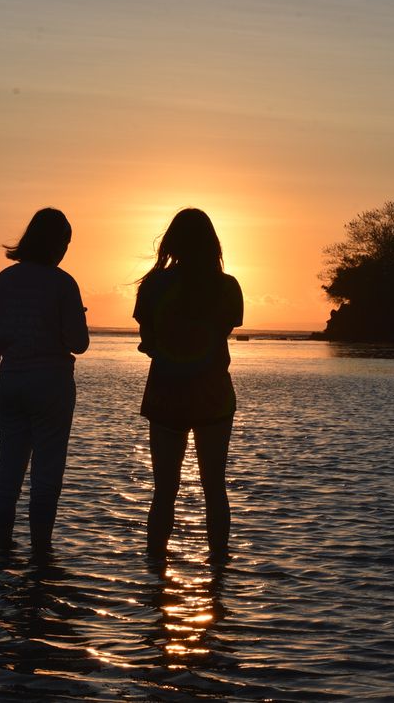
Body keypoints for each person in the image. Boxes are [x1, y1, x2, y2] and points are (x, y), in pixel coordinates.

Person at [0, 208, 89, 555]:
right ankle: (41, 553)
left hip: (12, 383)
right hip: (52, 383)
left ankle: (1, 549)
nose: (66, 249)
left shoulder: (4, 281)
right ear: (57, 244)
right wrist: (77, 317)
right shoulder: (63, 283)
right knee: (46, 476)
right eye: (65, 242)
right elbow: (78, 343)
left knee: (8, 473)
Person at [133, 208, 243, 564]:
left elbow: (147, 341)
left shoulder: (152, 287)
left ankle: (155, 570)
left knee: (164, 490)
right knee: (215, 488)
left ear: (171, 242)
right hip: (213, 396)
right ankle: (219, 571)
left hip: (166, 394)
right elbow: (222, 332)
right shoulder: (227, 287)